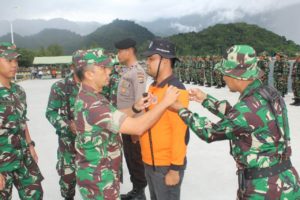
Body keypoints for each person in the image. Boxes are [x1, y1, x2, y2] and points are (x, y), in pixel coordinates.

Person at [171, 45, 300, 199]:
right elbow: (246, 119)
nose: (223, 77)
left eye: (224, 73)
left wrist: (180, 109)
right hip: (287, 181)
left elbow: (210, 132)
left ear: (237, 75)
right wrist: (206, 99)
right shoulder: (268, 92)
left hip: (264, 189)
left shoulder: (245, 110)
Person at [72, 48, 180, 200]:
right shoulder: (92, 104)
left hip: (99, 174)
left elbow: (114, 117)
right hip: (98, 180)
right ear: (89, 74)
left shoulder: (91, 96)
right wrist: (165, 103)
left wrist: (135, 107)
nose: (109, 71)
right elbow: (137, 127)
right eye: (103, 68)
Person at [141, 39, 189, 200]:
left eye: (152, 59)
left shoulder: (175, 90)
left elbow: (181, 133)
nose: (147, 62)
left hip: (166, 166)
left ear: (166, 61)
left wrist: (175, 169)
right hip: (150, 162)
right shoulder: (153, 87)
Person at [0, 42, 44, 199]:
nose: (14, 65)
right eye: (9, 60)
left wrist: (30, 145)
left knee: (35, 194)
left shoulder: (19, 91)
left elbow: (22, 121)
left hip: (22, 155)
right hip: (2, 161)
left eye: (16, 61)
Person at [114, 38, 148, 200]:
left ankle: (140, 192)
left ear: (128, 51)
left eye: (120, 51)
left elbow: (140, 102)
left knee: (135, 158)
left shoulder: (137, 73)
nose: (118, 54)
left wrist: (137, 130)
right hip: (125, 123)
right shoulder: (127, 71)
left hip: (132, 123)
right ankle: (136, 189)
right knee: (130, 157)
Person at [45, 63, 80, 200]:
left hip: (92, 143)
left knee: (93, 181)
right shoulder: (60, 86)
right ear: (74, 66)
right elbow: (50, 112)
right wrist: (66, 126)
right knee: (68, 179)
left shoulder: (95, 84)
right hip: (68, 144)